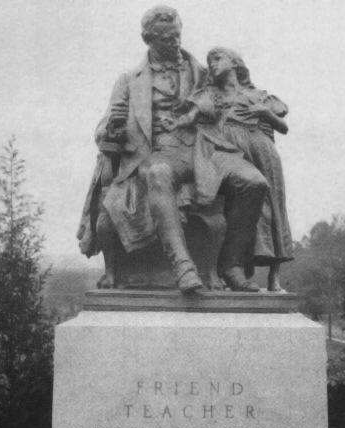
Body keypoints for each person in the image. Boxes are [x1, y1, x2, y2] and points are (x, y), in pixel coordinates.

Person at [80, 7, 269, 293]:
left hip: (207, 150)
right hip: (160, 153)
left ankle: (230, 265)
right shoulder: (129, 81)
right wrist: (114, 129)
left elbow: (240, 94)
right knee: (158, 172)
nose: (176, 44)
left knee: (254, 182)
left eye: (178, 36)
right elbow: (103, 129)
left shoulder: (204, 74)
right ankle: (183, 266)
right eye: (167, 39)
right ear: (149, 40)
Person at [162, 47, 294, 290]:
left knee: (272, 209)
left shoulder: (258, 95)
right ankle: (232, 267)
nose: (211, 64)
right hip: (226, 151)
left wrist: (264, 112)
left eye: (217, 58)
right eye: (209, 61)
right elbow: (191, 116)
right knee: (250, 192)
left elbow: (283, 126)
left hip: (263, 153)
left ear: (235, 62)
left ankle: (272, 274)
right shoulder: (211, 94)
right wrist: (176, 122)